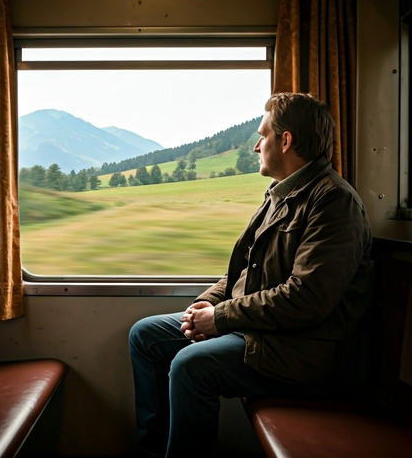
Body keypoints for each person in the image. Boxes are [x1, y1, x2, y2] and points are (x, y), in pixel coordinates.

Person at [128, 92, 373, 458]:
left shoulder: (333, 202)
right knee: (146, 335)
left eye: (263, 136)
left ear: (286, 140)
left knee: (191, 365)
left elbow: (306, 298)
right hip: (267, 331)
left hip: (308, 350)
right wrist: (205, 306)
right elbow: (243, 272)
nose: (257, 146)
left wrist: (221, 318)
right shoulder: (279, 195)